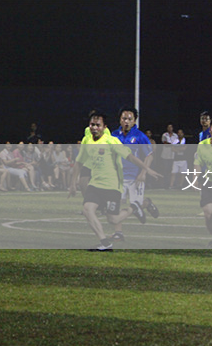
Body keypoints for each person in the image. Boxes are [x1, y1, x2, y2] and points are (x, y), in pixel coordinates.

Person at [68, 110, 161, 251]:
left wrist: (146, 169)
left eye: (98, 125)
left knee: (113, 219)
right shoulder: (87, 140)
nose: (94, 128)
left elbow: (130, 157)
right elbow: (79, 162)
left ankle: (134, 207)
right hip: (95, 184)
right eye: (92, 124)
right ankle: (105, 243)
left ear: (104, 127)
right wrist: (73, 183)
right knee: (87, 209)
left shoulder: (112, 141)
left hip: (112, 186)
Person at [110, 106, 159, 241]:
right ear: (120, 120)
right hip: (118, 177)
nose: (126, 121)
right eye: (124, 118)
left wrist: (143, 173)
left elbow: (149, 156)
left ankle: (146, 203)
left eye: (129, 119)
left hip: (135, 177)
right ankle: (118, 232)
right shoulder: (113, 135)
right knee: (117, 205)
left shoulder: (140, 136)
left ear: (134, 121)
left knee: (135, 205)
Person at [160, 122, 178, 188]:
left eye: (171, 127)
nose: (170, 128)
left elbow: (176, 144)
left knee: (171, 170)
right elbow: (165, 143)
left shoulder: (175, 135)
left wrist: (171, 144)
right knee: (165, 170)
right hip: (165, 155)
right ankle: (164, 184)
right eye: (169, 127)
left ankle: (170, 184)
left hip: (172, 155)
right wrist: (172, 144)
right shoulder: (164, 135)